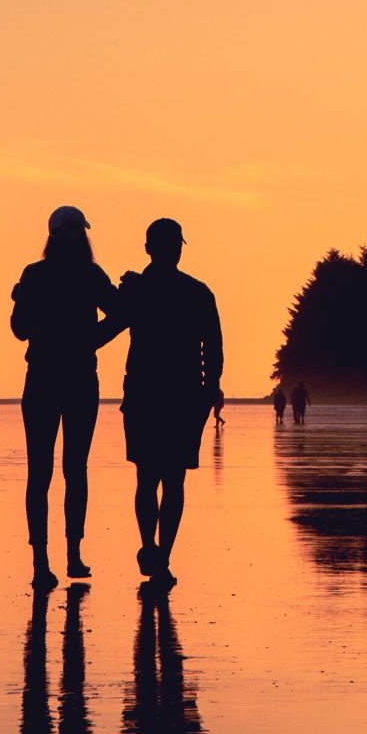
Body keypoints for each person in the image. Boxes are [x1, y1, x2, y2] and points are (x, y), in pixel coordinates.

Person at [101, 218, 222, 590]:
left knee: (147, 478)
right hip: (182, 399)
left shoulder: (139, 291)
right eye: (175, 245)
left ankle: (151, 549)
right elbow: (213, 353)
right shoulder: (197, 293)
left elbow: (104, 332)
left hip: (145, 397)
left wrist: (60, 341)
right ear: (175, 248)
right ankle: (162, 557)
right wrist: (207, 393)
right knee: (172, 481)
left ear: (148, 248)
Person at [9, 205, 119, 589]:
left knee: (40, 473)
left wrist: (23, 299)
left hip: (40, 379)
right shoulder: (90, 274)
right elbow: (122, 315)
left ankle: (41, 562)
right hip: (79, 380)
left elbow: (19, 330)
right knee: (75, 469)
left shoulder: (34, 275)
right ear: (82, 235)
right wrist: (89, 341)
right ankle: (72, 555)